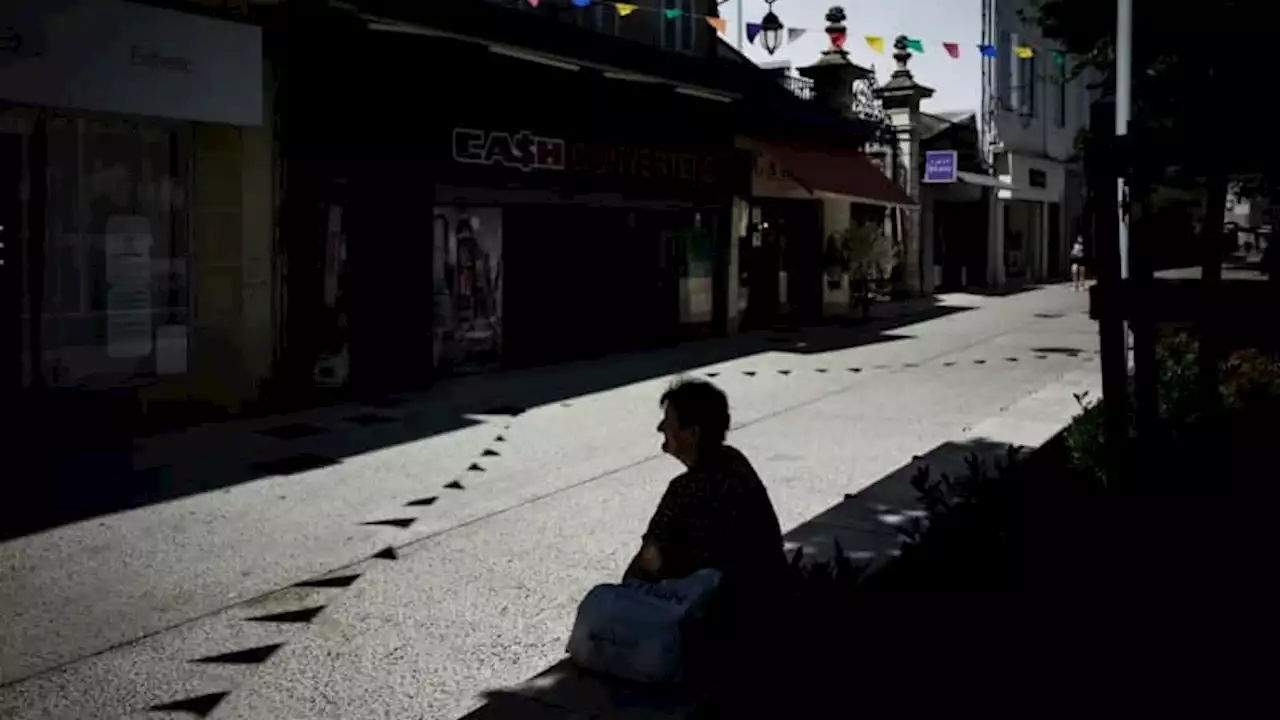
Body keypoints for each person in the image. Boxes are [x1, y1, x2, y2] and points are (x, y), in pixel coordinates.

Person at [626, 378, 789, 710]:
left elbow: (649, 563)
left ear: (692, 433)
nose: (660, 427)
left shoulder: (686, 491)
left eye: (668, 421)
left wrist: (624, 595)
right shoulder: (734, 461)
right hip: (770, 611)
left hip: (722, 633)